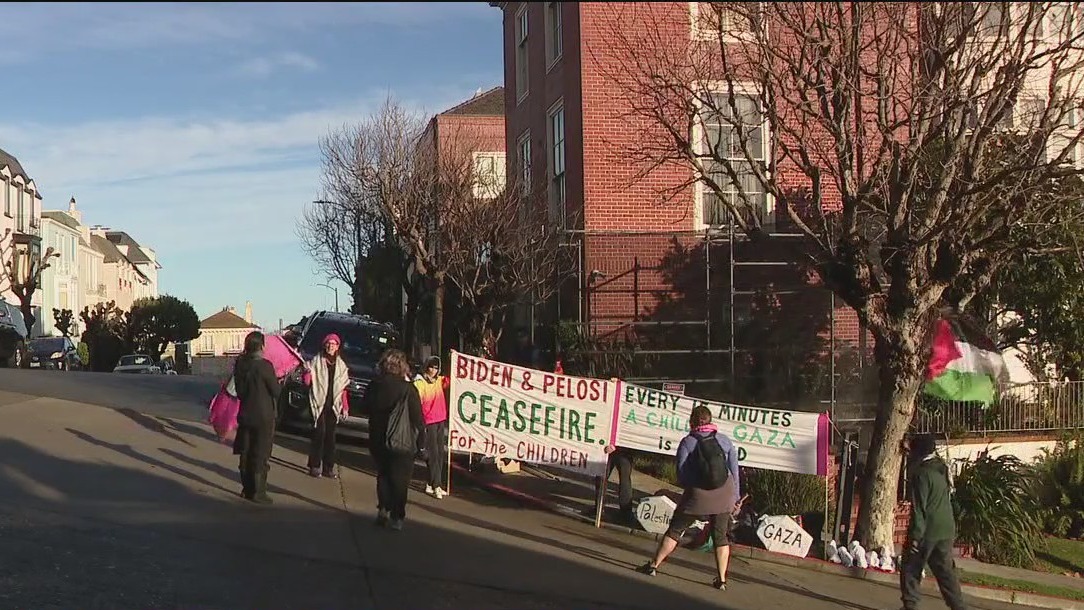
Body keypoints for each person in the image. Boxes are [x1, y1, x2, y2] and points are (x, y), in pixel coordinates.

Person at [638, 405, 740, 590]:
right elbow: (734, 469)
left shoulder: (688, 442)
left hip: (698, 495)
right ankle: (722, 580)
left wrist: (692, 487)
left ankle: (653, 566)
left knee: (676, 530)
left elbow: (681, 472)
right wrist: (735, 496)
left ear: (692, 421)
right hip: (724, 493)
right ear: (710, 420)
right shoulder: (724, 441)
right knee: (720, 536)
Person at [900, 433, 968, 610]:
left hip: (928, 530)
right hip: (946, 527)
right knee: (945, 572)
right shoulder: (942, 468)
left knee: (911, 567)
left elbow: (919, 508)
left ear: (918, 452)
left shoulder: (921, 474)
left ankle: (910, 605)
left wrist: (915, 536)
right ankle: (959, 606)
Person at [366, 348, 425, 531]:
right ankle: (397, 516)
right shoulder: (408, 389)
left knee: (383, 474)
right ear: (403, 366)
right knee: (400, 480)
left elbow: (363, 406)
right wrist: (421, 443)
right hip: (402, 440)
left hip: (378, 437)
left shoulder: (375, 385)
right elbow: (417, 418)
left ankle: (383, 508)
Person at [232, 331, 281, 505]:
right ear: (261, 345)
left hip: (245, 413)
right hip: (263, 415)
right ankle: (259, 492)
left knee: (245, 451)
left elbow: (238, 390)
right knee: (260, 453)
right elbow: (276, 391)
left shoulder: (240, 364)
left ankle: (246, 489)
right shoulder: (265, 366)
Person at [302, 333, 350, 479]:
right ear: (324, 345)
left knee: (331, 437)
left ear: (338, 347)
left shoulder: (341, 366)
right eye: (328, 344)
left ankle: (328, 468)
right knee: (319, 434)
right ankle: (314, 466)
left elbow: (343, 389)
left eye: (333, 344)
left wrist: (345, 407)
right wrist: (307, 372)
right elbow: (307, 383)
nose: (330, 346)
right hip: (318, 403)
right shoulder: (316, 362)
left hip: (333, 405)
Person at [414, 356, 450, 499]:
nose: (434, 371)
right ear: (426, 367)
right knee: (433, 454)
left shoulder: (440, 381)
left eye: (436, 368)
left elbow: (453, 378)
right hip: (428, 422)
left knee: (440, 453)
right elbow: (418, 402)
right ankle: (436, 485)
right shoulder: (419, 382)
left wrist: (452, 358)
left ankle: (431, 483)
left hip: (441, 419)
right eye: (431, 367)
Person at [594, 445, 635, 523]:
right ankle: (626, 513)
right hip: (623, 447)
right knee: (624, 478)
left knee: (602, 475)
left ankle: (598, 508)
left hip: (612, 445)